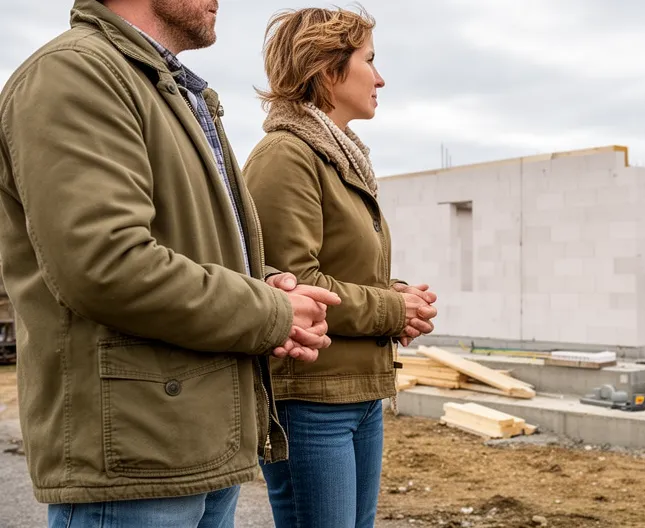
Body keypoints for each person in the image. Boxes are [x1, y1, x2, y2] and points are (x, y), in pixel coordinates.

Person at [0, 0, 344, 526]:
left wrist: (267, 282)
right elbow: (105, 265)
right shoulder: (74, 72)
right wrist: (271, 310)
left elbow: (187, 247)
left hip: (194, 440)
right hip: (135, 459)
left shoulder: (173, 89)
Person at [242, 6, 438, 527]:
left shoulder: (339, 156)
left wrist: (398, 297)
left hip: (357, 391)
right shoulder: (287, 156)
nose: (380, 77)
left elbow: (339, 271)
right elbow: (297, 287)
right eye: (369, 61)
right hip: (312, 400)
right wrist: (392, 309)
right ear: (329, 69)